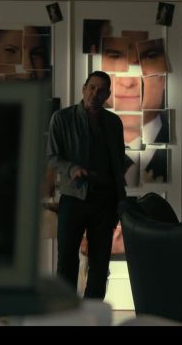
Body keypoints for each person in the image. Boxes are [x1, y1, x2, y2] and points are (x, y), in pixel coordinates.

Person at [47, 71, 129, 299]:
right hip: (73, 199)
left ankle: (93, 313)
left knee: (100, 265)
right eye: (92, 88)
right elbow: (52, 157)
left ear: (107, 95)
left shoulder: (113, 122)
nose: (95, 93)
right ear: (83, 89)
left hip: (105, 200)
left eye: (101, 90)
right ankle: (65, 312)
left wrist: (121, 199)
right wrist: (72, 168)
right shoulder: (62, 118)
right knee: (66, 262)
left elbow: (117, 164)